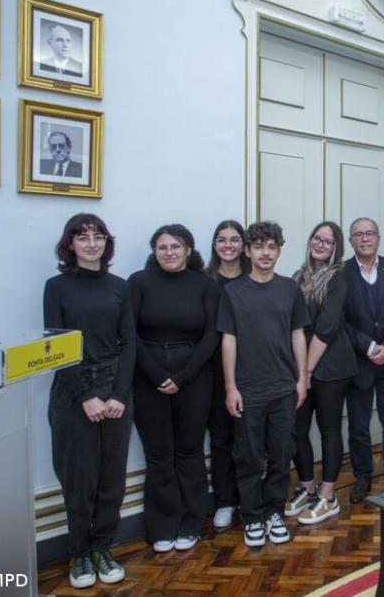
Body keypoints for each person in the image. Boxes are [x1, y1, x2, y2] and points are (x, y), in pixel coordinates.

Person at [43, 213, 133, 588]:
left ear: (106, 243)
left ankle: (102, 548)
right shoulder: (56, 286)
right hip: (73, 393)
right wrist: (87, 397)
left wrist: (117, 395)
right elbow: (56, 348)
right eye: (83, 237)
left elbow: (129, 344)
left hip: (115, 393)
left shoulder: (120, 286)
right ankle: (79, 554)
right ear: (71, 244)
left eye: (98, 236)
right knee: (78, 480)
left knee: (111, 479)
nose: (91, 243)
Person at [128, 224, 219, 553]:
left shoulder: (205, 285)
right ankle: (162, 525)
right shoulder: (138, 282)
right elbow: (130, 334)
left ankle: (192, 522)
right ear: (154, 251)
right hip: (146, 378)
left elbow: (212, 335)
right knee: (159, 454)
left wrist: (182, 377)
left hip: (194, 378)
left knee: (190, 451)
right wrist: (155, 375)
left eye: (176, 246)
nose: (169, 253)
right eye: (162, 247)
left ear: (189, 250)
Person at [218, 221, 309, 548]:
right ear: (248, 251)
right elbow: (229, 340)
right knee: (250, 458)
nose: (265, 253)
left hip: (284, 389)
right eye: (259, 247)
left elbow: (298, 334)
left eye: (271, 246)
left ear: (279, 250)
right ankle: (253, 516)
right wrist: (231, 387)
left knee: (280, 455)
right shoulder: (233, 291)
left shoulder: (290, 289)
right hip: (248, 391)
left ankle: (273, 512)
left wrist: (302, 379)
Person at [286, 221, 356, 524]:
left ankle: (328, 496)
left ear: (336, 248)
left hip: (331, 367)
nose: (321, 245)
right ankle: (307, 487)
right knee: (296, 430)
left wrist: (307, 370)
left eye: (328, 242)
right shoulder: (297, 277)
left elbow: (326, 329)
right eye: (317, 238)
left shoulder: (338, 279)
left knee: (328, 430)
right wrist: (300, 371)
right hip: (301, 366)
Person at [342, 217, 384, 502]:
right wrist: (368, 346)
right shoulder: (341, 273)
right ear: (351, 241)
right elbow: (339, 320)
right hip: (358, 362)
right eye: (359, 234)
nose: (365, 238)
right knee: (358, 426)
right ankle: (363, 477)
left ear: (379, 238)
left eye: (370, 233)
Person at [204, 220, 251, 530]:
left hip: (251, 371)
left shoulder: (254, 279)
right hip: (212, 373)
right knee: (221, 439)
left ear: (244, 245)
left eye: (235, 239)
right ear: (215, 245)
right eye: (222, 240)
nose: (228, 245)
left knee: (249, 440)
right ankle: (225, 500)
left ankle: (250, 498)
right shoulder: (204, 281)